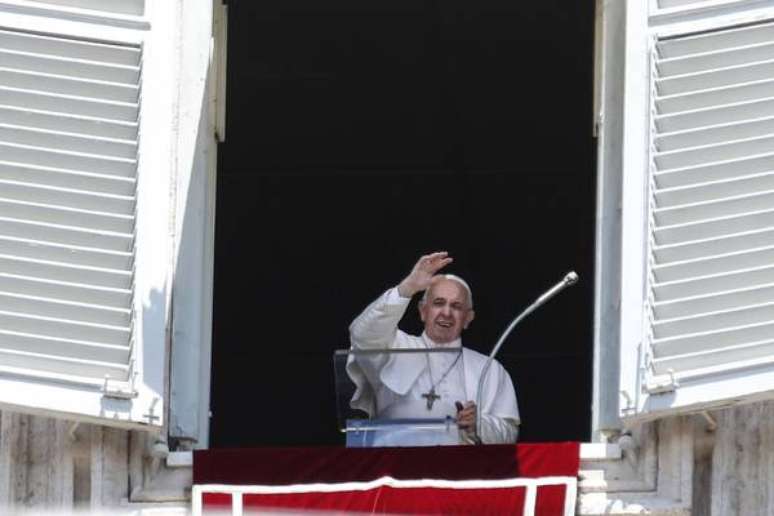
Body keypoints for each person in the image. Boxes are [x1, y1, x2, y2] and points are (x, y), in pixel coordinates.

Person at [346, 251, 520, 446]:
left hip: (460, 469)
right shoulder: (395, 347)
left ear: (468, 319)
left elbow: (509, 433)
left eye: (456, 306)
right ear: (422, 311)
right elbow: (362, 335)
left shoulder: (489, 369)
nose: (446, 313)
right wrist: (407, 288)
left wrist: (478, 424)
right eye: (438, 303)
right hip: (392, 465)